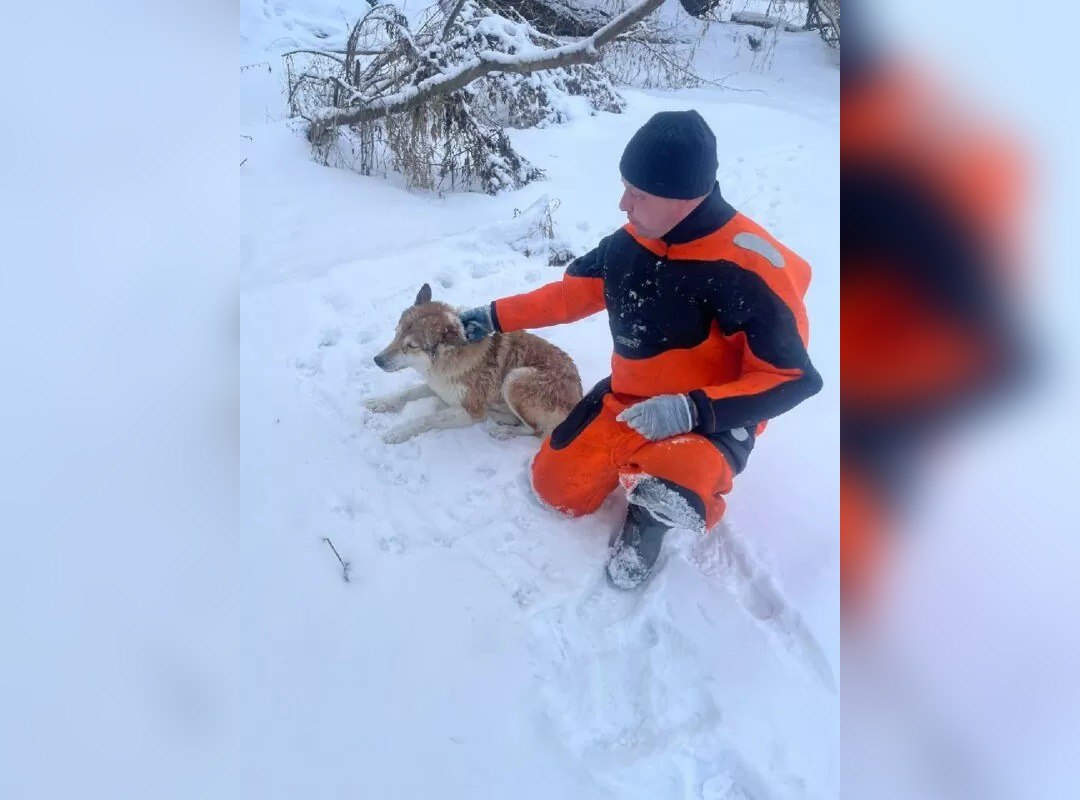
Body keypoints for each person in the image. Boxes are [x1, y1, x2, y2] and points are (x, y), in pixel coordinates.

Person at [460, 110, 823, 588]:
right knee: (555, 490)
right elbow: (569, 296)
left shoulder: (750, 269)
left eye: (638, 194)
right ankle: (640, 467)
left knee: (675, 479)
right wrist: (493, 316)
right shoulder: (629, 245)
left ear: (685, 198)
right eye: (625, 186)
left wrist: (690, 411)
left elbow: (793, 379)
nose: (622, 203)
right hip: (630, 400)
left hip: (711, 420)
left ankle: (651, 516)